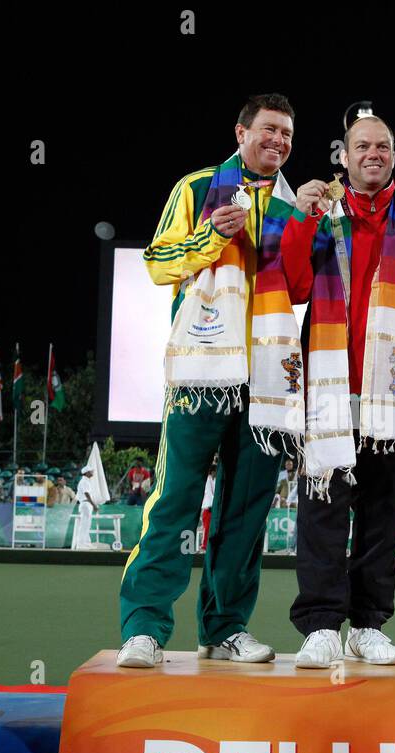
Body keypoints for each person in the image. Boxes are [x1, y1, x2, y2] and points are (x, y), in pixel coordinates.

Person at [117, 93, 300, 669]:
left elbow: (307, 284)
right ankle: (145, 628)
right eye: (269, 129)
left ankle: (225, 629)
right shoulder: (196, 187)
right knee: (174, 502)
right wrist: (210, 237)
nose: (279, 141)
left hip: (267, 377)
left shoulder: (295, 203)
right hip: (201, 374)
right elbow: (157, 263)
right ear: (241, 131)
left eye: (288, 134)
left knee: (246, 513)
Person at [278, 115, 395, 668]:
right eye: (363, 146)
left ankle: (369, 624)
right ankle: (321, 625)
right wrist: (301, 221)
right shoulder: (321, 208)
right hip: (332, 384)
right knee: (323, 511)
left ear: (392, 154)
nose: (374, 153)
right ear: (346, 155)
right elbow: (291, 282)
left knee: (384, 515)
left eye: (382, 146)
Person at [73, 453, 108, 550]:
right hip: (86, 504)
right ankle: (81, 544)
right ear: (87, 472)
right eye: (91, 471)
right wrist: (94, 505)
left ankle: (86, 543)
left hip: (86, 504)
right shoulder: (84, 481)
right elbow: (87, 494)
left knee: (86, 524)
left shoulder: (86, 481)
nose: (92, 472)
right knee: (84, 525)